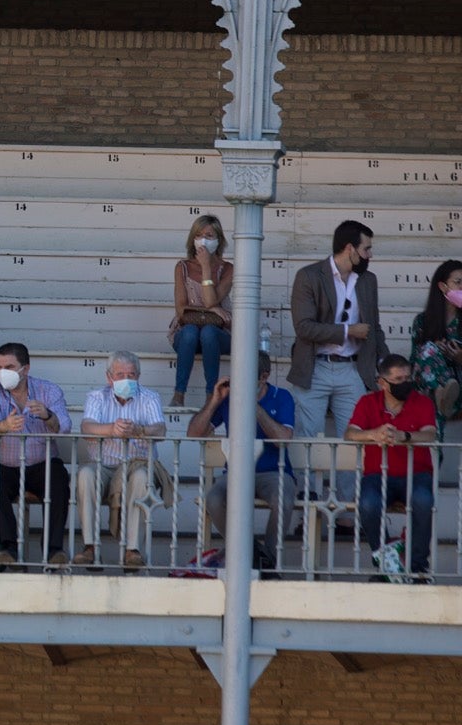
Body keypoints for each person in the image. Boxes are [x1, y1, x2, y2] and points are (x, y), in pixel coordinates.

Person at [288, 220, 387, 507]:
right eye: (366, 248)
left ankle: (345, 509)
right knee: (307, 438)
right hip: (315, 367)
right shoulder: (309, 276)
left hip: (353, 368)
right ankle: (307, 503)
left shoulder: (368, 281)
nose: (370, 255)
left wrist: (383, 363)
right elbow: (304, 326)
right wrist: (347, 331)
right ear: (349, 248)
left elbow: (375, 327)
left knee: (354, 439)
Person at [187, 351, 296, 548]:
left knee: (284, 500)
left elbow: (283, 440)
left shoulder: (282, 396)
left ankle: (268, 561)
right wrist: (214, 401)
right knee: (213, 499)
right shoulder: (228, 399)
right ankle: (248, 552)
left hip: (274, 473)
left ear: (264, 377)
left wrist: (253, 407)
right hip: (236, 472)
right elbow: (194, 434)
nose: (239, 382)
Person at [73, 350, 170, 571]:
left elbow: (161, 430)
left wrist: (140, 430)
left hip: (137, 463)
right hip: (104, 465)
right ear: (109, 377)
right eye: (120, 374)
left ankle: (132, 550)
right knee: (86, 474)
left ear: (139, 376)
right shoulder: (97, 397)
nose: (126, 379)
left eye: (131, 374)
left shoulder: (150, 397)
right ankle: (90, 547)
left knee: (141, 477)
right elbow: (87, 427)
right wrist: (112, 429)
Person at [0, 342, 72, 567]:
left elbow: (65, 426)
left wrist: (48, 416)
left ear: (25, 369)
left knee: (59, 480)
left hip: (42, 463)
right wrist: (5, 424)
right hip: (5, 464)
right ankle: (9, 548)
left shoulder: (49, 390)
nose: (3, 373)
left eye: (9, 367)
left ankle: (53, 550)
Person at [346, 354, 437, 580]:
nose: (405, 383)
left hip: (417, 474)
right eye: (398, 379)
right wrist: (373, 433)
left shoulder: (422, 402)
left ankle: (417, 568)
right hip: (378, 475)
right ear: (382, 382)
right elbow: (350, 433)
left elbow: (430, 434)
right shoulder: (368, 402)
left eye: (408, 377)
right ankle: (387, 563)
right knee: (368, 504)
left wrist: (404, 436)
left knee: (424, 501)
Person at [168, 213, 232, 407]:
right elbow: (180, 309)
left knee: (209, 332)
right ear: (192, 239)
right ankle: (179, 394)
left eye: (210, 235)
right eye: (199, 235)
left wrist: (205, 267)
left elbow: (211, 299)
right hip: (187, 334)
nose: (204, 240)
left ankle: (210, 395)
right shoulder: (182, 267)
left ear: (219, 240)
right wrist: (213, 311)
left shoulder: (227, 268)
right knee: (189, 331)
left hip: (218, 334)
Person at [409, 258, 462, 433]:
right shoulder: (423, 321)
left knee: (429, 350)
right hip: (429, 386)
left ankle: (442, 393)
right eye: (458, 282)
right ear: (442, 286)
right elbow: (414, 361)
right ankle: (440, 392)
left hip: (458, 382)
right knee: (429, 350)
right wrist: (436, 352)